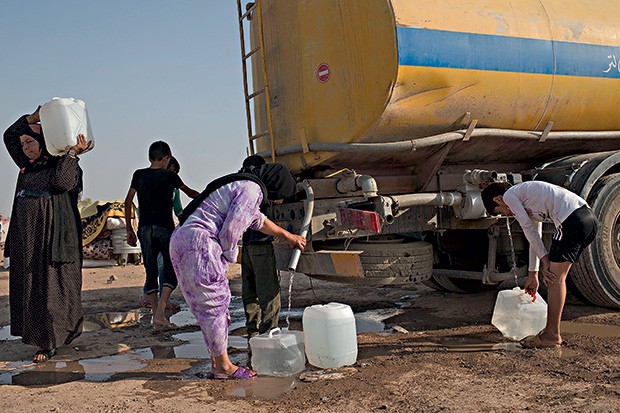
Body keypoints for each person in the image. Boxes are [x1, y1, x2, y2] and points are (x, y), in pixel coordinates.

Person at [169, 163, 306, 379]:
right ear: (276, 187)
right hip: (199, 243)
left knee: (206, 305)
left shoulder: (240, 185)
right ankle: (224, 367)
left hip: (182, 240)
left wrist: (288, 237)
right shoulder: (253, 190)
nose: (278, 201)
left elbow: (258, 221)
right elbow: (231, 231)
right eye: (281, 196)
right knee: (215, 303)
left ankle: (217, 362)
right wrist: (228, 257)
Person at [4, 106, 90, 363]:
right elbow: (9, 136)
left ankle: (50, 342)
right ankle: (40, 338)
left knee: (52, 287)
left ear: (43, 142)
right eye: (23, 144)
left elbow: (62, 183)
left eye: (30, 142)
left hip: (53, 238)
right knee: (31, 287)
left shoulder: (59, 165)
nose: (26, 148)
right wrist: (32, 118)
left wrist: (72, 153)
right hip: (27, 240)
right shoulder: (27, 166)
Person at [481, 181, 598, 348]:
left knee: (554, 278)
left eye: (500, 212)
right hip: (588, 220)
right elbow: (535, 233)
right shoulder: (528, 196)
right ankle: (551, 332)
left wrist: (545, 261)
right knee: (557, 278)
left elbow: (527, 228)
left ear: (498, 200)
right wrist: (533, 274)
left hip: (571, 221)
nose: (506, 215)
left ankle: (551, 335)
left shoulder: (509, 195)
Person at [124, 141, 199, 329]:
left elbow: (127, 202)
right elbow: (190, 193)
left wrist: (129, 229)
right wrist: (206, 197)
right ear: (166, 158)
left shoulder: (138, 175)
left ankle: (156, 315)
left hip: (145, 229)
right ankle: (160, 313)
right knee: (169, 270)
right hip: (164, 228)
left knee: (150, 269)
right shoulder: (170, 176)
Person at [238, 155, 282, 337]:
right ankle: (268, 333)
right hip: (261, 245)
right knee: (268, 292)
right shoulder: (258, 187)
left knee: (249, 291)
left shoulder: (242, 185)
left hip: (246, 245)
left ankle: (253, 332)